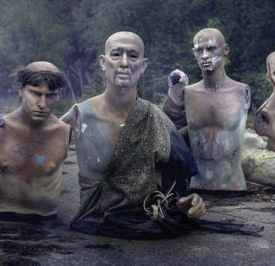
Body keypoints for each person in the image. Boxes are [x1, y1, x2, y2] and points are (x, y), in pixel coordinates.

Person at [62, 31, 206, 239]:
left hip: (147, 224)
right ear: (103, 62)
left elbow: (178, 178)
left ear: (143, 65)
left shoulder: (156, 119)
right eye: (116, 54)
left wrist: (183, 202)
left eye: (132, 56)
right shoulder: (79, 115)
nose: (124, 63)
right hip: (91, 225)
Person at [163, 28, 250, 192]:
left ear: (225, 50)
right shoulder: (188, 93)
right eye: (199, 50)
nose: (204, 55)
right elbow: (171, 129)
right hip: (197, 189)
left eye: (211, 49)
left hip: (234, 187)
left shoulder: (240, 91)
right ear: (193, 53)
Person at [0, 62, 71, 222]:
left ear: (58, 94)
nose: (42, 104)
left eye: (50, 95)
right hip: (3, 221)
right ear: (20, 88)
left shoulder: (64, 131)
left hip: (47, 225)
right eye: (36, 93)